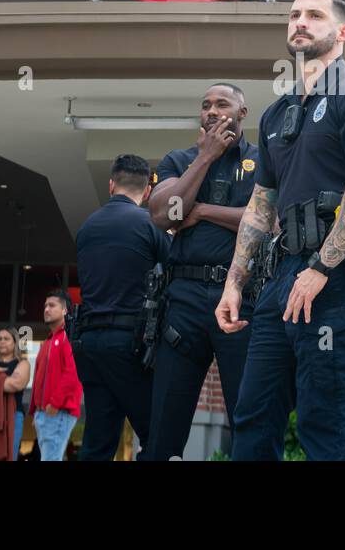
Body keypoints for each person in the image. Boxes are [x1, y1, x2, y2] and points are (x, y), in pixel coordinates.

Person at [216, 0, 345, 461]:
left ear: (343, 32)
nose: (300, 22)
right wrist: (235, 282)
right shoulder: (278, 112)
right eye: (294, 15)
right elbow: (261, 205)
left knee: (326, 423)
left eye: (314, 16)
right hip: (281, 281)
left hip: (335, 282)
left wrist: (320, 269)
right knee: (253, 415)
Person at [143, 85, 259, 460]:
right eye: (205, 105)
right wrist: (204, 158)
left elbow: (267, 221)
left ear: (243, 113)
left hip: (242, 297)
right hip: (184, 299)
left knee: (249, 417)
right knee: (165, 420)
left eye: (222, 104)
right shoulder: (180, 160)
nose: (212, 111)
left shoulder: (263, 161)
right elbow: (164, 215)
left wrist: (203, 212)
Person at [73, 154, 169, 460]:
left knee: (98, 441)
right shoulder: (149, 224)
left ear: (111, 184)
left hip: (88, 344)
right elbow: (175, 267)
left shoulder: (87, 226)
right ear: (148, 191)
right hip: (129, 344)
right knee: (157, 433)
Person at [29, 290, 82, 461]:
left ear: (65, 310)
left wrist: (54, 404)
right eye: (45, 305)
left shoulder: (68, 337)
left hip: (58, 411)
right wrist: (35, 411)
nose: (46, 309)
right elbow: (38, 378)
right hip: (45, 413)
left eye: (52, 305)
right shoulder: (48, 342)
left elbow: (73, 374)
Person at [0, 327, 31, 461]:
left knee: (10, 456)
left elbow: (15, 384)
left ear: (15, 343)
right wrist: (4, 377)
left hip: (14, 415)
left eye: (6, 339)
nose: (2, 342)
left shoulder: (23, 364)